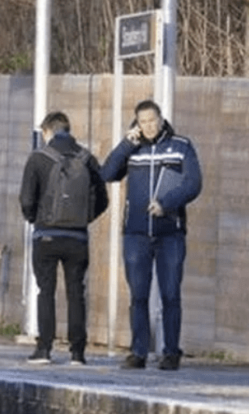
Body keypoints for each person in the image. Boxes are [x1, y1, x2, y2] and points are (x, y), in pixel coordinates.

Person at [101, 100, 202, 371]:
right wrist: (125, 144)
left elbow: (193, 184)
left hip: (170, 234)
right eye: (142, 121)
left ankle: (171, 352)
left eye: (152, 120)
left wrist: (166, 203)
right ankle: (138, 352)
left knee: (170, 294)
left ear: (161, 119)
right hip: (136, 235)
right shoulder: (133, 149)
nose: (148, 126)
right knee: (139, 296)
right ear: (136, 123)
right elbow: (107, 173)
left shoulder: (181, 146)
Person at [19, 111, 108, 365]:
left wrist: (35, 219)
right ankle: (77, 353)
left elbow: (26, 199)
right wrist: (83, 219)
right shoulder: (87, 158)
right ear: (68, 129)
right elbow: (103, 199)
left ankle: (44, 349)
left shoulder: (38, 158)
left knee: (46, 290)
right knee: (75, 292)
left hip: (46, 235)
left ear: (47, 131)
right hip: (77, 237)